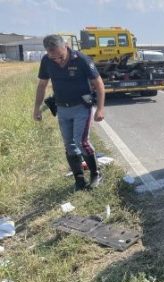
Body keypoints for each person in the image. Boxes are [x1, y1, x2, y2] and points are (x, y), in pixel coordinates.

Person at [33, 34, 106, 191]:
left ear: (65, 46)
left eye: (60, 56)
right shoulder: (46, 60)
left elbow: (99, 84)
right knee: (69, 145)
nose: (58, 61)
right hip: (62, 109)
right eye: (54, 58)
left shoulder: (82, 60)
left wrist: (100, 108)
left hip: (81, 107)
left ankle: (95, 174)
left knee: (81, 141)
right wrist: (36, 108)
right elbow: (42, 85)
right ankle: (79, 178)